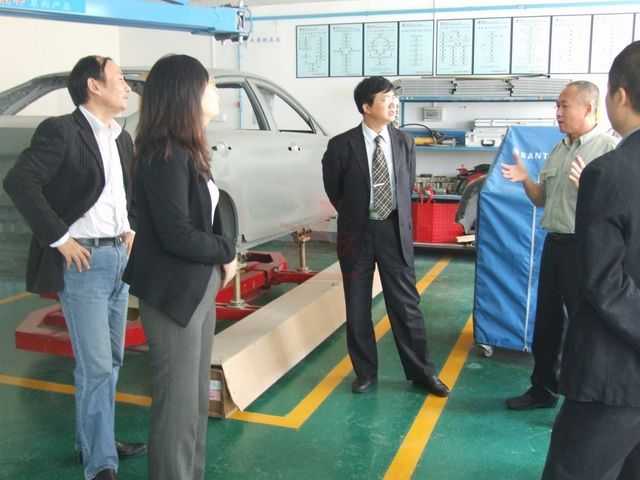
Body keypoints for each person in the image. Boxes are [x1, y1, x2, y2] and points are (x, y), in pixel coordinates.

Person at [2, 56, 146, 480]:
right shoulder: (61, 131)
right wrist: (60, 238)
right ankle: (101, 463)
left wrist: (130, 226)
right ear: (93, 85)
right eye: (119, 78)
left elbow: (123, 193)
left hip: (119, 259)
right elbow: (19, 181)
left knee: (112, 360)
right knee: (96, 365)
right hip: (84, 263)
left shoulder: (122, 137)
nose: (127, 86)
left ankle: (97, 441)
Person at [123, 54, 237, 480]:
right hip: (173, 293)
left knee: (194, 401)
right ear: (186, 93)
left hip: (196, 285)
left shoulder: (188, 150)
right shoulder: (164, 155)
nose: (216, 92)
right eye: (210, 84)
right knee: (177, 405)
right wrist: (227, 250)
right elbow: (178, 235)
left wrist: (219, 257)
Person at [541, 40, 640, 480]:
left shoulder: (609, 170)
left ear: (618, 96)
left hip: (614, 374)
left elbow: (604, 283)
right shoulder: (564, 152)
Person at [321, 76, 449, 396]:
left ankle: (422, 373)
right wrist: (358, 213)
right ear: (366, 107)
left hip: (394, 230)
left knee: (406, 305)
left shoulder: (404, 142)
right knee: (357, 305)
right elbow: (334, 190)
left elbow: (405, 187)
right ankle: (365, 373)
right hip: (357, 233)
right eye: (385, 99)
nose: (393, 104)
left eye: (394, 99)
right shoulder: (341, 145)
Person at [502, 81, 617, 410]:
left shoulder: (609, 150)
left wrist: (588, 189)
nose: (558, 112)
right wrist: (525, 178)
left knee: (585, 325)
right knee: (548, 322)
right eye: (557, 105)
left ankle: (585, 396)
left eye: (565, 105)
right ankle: (543, 390)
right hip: (554, 246)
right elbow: (541, 199)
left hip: (586, 250)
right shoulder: (559, 150)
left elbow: (619, 208)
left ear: (588, 108)